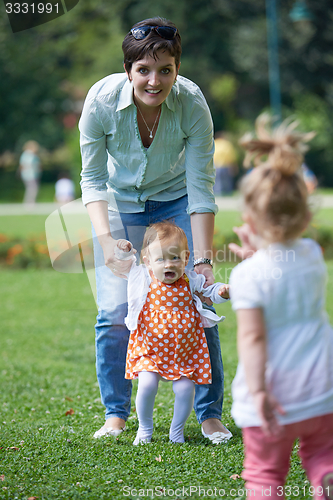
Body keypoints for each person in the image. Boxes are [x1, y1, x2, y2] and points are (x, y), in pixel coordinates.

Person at [79, 17, 231, 443]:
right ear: (128, 70)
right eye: (144, 70)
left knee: (200, 308)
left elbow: (201, 188)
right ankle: (116, 415)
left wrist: (202, 261)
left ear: (177, 69)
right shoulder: (101, 101)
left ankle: (209, 414)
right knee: (112, 315)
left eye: (165, 69)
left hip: (176, 200)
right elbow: (91, 180)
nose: (154, 80)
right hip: (118, 205)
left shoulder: (192, 104)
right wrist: (107, 242)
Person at [228, 114, 333, 500]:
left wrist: (258, 392)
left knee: (265, 471)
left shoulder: (247, 276)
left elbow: (253, 337)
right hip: (323, 387)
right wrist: (259, 250)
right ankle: (326, 476)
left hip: (274, 394)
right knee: (322, 453)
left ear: (249, 219)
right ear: (306, 217)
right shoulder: (311, 253)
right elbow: (283, 259)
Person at [116, 222, 230, 445]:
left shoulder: (190, 280)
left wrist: (223, 292)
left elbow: (209, 291)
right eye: (161, 259)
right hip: (151, 350)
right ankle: (144, 427)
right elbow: (125, 264)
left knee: (186, 389)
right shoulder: (144, 277)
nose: (169, 264)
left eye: (175, 258)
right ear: (147, 260)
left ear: (186, 258)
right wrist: (123, 249)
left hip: (182, 353)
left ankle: (176, 431)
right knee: (147, 385)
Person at [19, 140, 41, 205]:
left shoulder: (31, 155)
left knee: (32, 189)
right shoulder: (28, 154)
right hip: (29, 175)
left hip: (32, 175)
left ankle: (30, 202)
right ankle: (29, 202)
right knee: (32, 189)